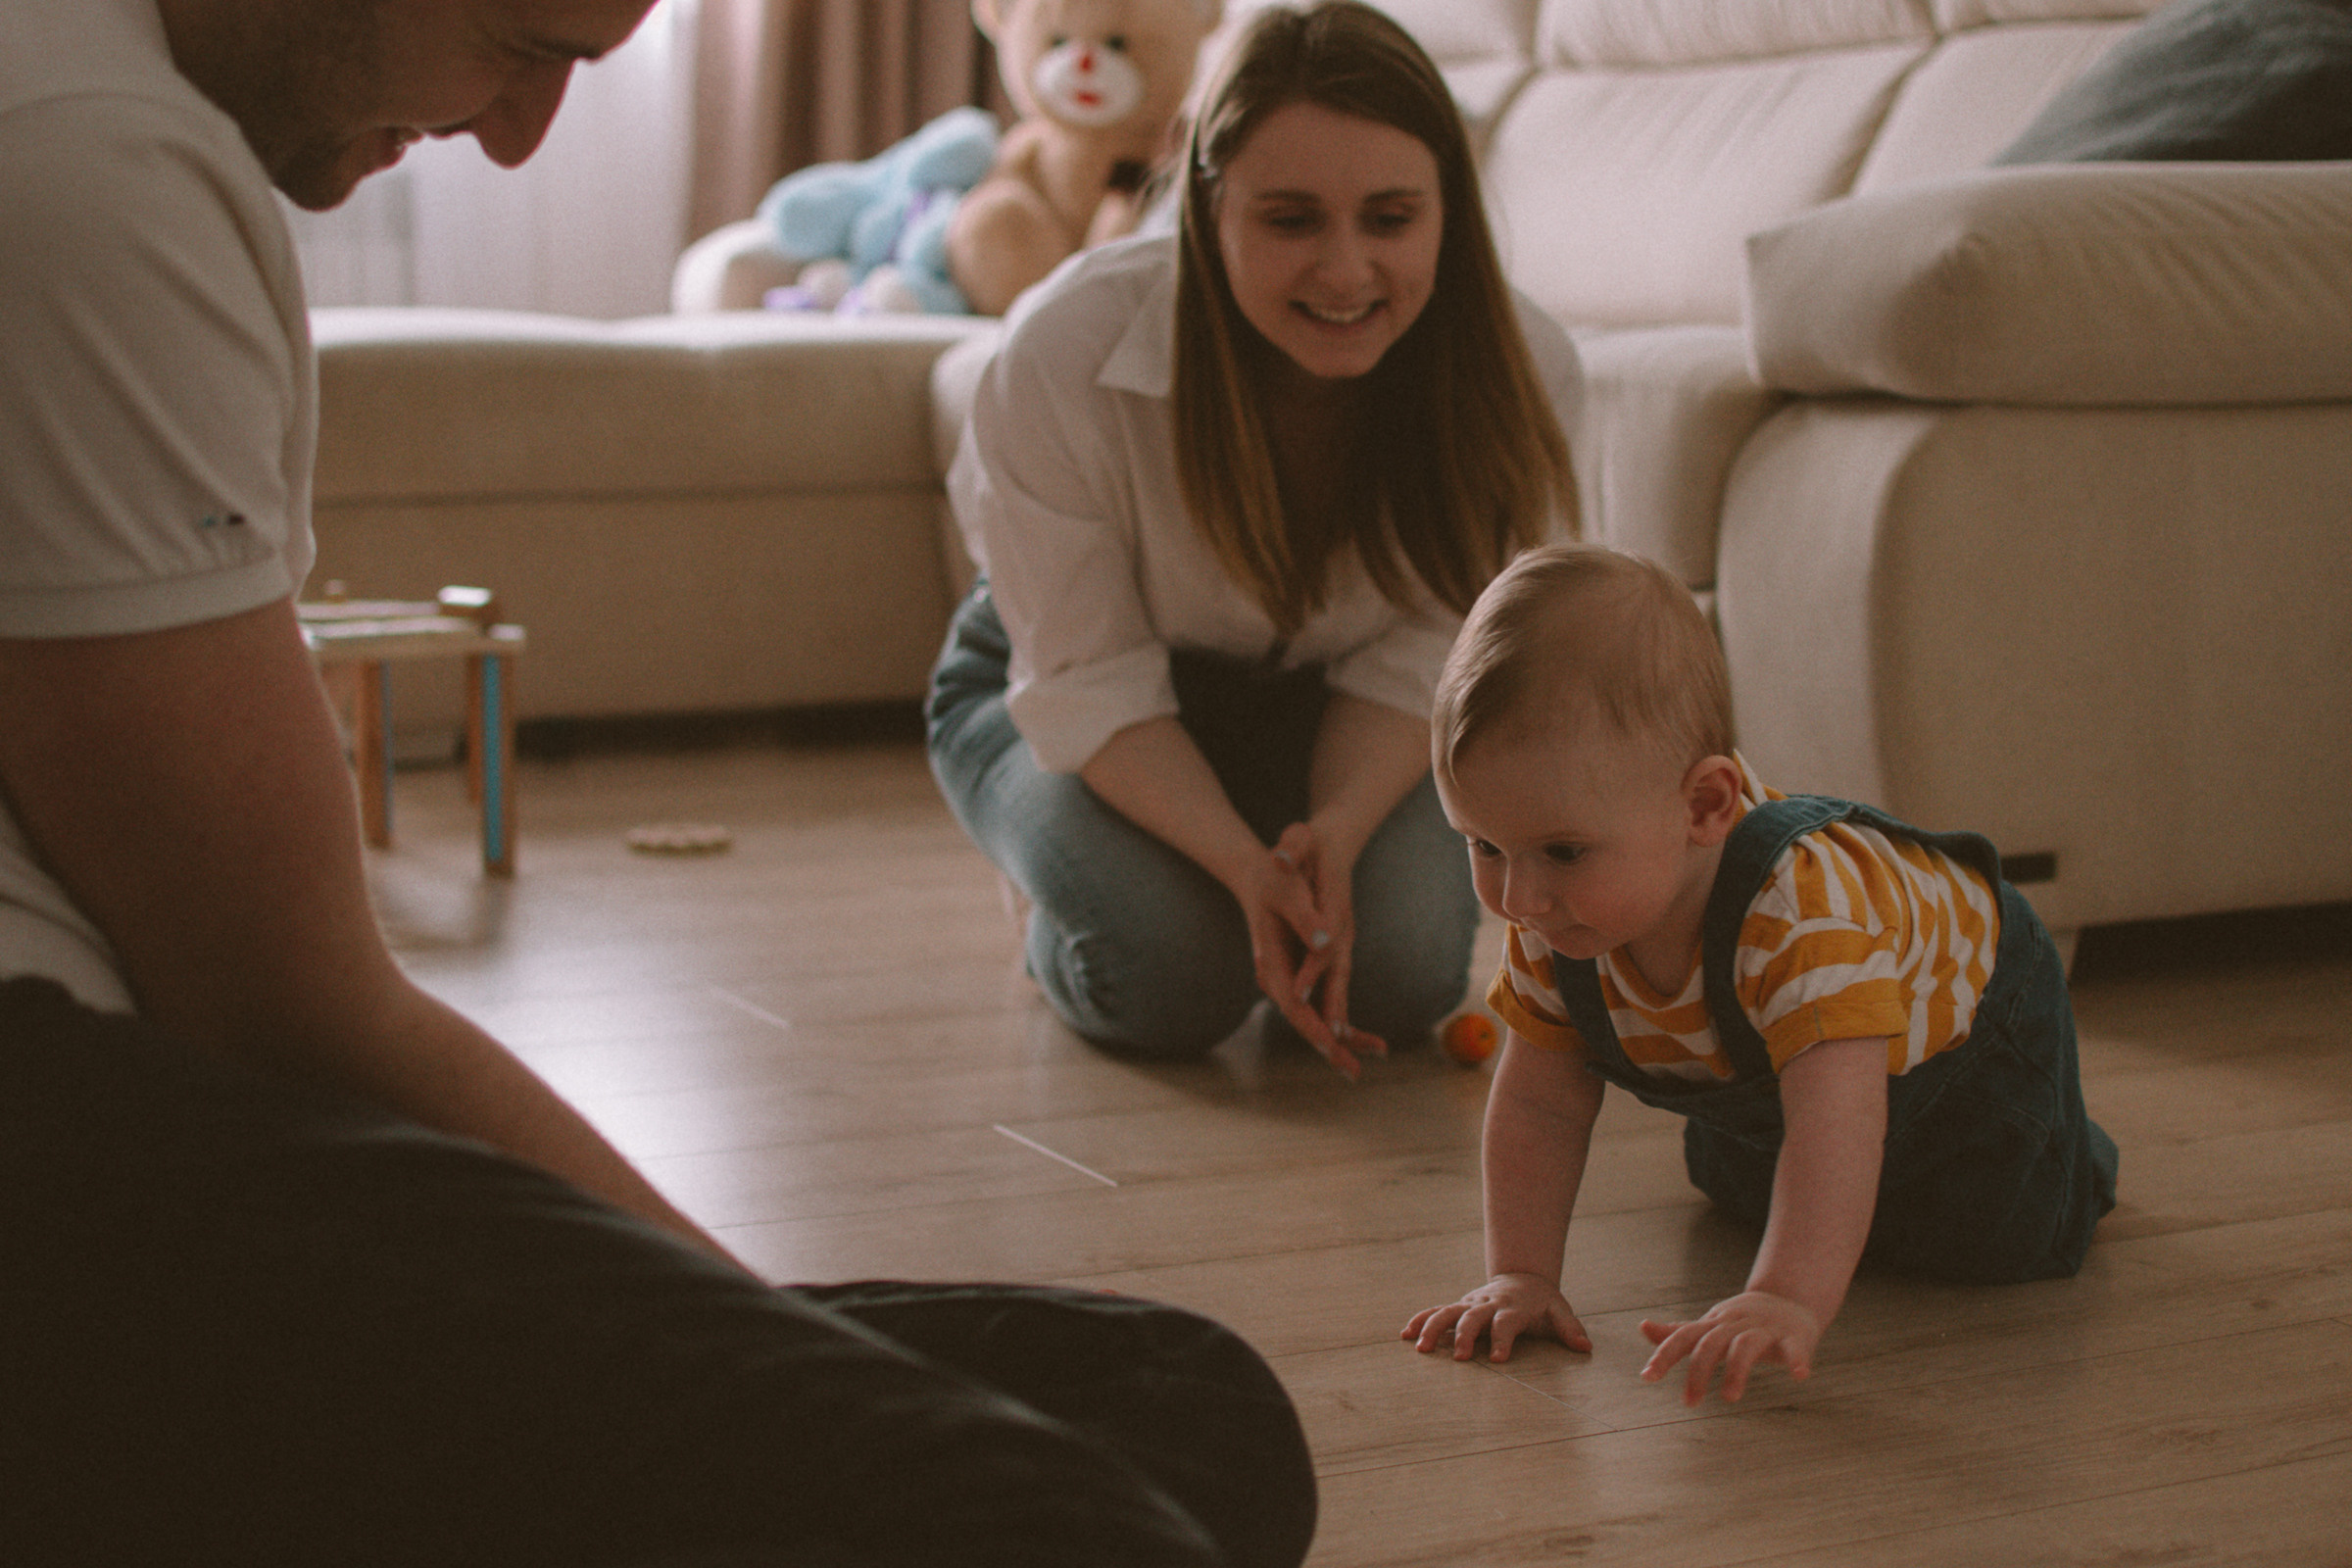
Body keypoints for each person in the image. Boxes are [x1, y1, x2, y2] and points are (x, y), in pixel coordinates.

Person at [0, 1, 1314, 1563]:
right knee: (1076, 1517)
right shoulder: (92, 159)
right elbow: (279, 1006)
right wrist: (765, 1369)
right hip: (71, 1144)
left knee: (1184, 1405)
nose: (518, 132)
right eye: (525, 39)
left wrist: (736, 1359)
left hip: (138, 1101)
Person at [927, 1, 1580, 1077]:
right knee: (1169, 980)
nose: (1345, 271)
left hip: (1337, 705)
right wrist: (1244, 867)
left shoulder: (1527, 374)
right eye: (1290, 220)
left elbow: (1428, 651)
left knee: (1402, 977)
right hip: (1063, 689)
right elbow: (1087, 675)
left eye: (1389, 218)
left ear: (1446, 215)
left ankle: (1222, 855)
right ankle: (1061, 887)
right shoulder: (1060, 352)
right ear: (1205, 205)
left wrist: (1328, 833)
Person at [1402, 544, 2119, 1406]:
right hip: (1786, 1061)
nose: (1517, 897)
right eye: (1482, 844)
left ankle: (2077, 1157)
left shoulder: (1801, 915)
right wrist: (1518, 1274)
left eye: (1561, 850)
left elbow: (1836, 1121)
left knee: (1995, 1235)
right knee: (1740, 1187)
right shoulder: (1560, 909)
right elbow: (1539, 1103)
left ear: (1706, 804)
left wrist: (1786, 1297)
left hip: (1969, 1034)